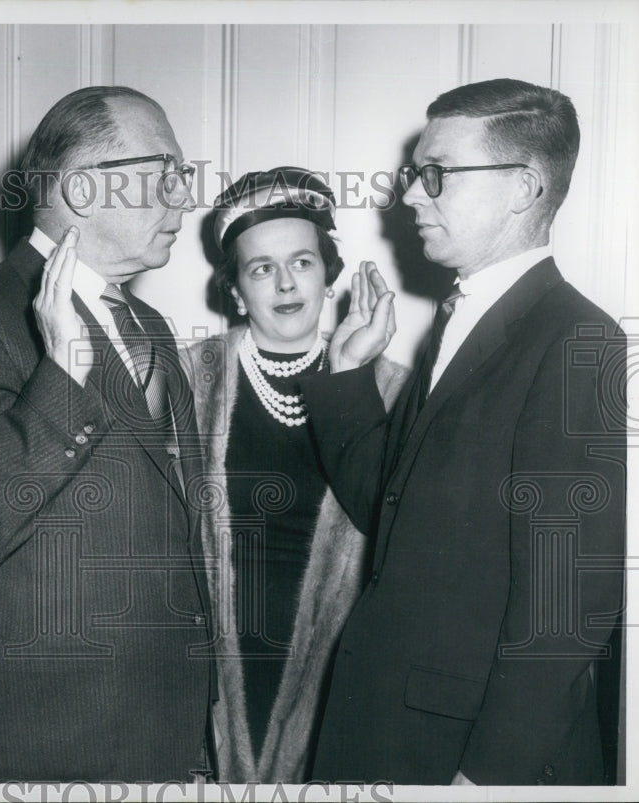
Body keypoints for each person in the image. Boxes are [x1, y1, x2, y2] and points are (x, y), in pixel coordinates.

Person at [299, 78, 626, 785]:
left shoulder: (576, 338)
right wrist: (348, 376)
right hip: (398, 733)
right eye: (417, 174)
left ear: (522, 187)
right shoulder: (461, 322)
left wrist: (486, 779)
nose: (412, 194)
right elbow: (390, 509)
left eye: (436, 174)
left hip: (466, 761)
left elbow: (568, 608)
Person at [0, 86, 213, 781]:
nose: (182, 197)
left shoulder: (151, 326)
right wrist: (63, 375)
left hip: (162, 727)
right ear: (81, 188)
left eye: (183, 177)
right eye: (164, 174)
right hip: (55, 738)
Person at [182, 168, 406, 782]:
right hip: (210, 660)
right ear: (233, 290)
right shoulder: (186, 378)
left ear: (328, 275)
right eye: (261, 268)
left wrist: (351, 373)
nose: (285, 283)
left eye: (302, 262)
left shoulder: (389, 388)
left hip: (340, 662)